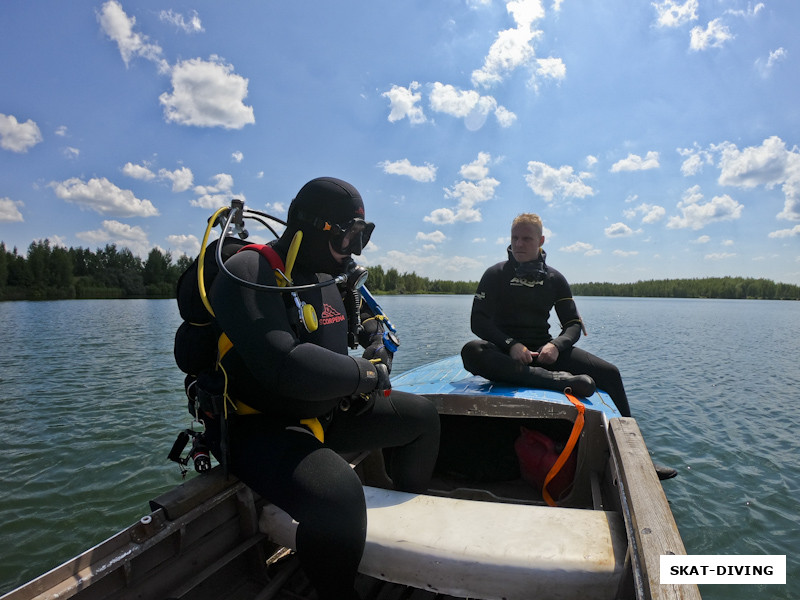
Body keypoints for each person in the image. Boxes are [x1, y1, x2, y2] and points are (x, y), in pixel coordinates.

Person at [201, 177, 441, 600]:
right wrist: (367, 375)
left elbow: (375, 322)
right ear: (315, 226)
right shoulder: (249, 273)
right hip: (261, 425)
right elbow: (286, 366)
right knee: (338, 497)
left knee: (422, 418)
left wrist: (377, 351)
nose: (355, 249)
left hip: (328, 409)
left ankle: (405, 542)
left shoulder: (330, 273)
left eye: (362, 237)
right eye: (349, 235)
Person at [461, 213, 676, 480]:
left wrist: (556, 346)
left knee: (611, 373)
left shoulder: (554, 279)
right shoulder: (495, 274)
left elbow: (573, 323)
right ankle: (556, 382)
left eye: (526, 238)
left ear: (540, 240)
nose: (518, 244)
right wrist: (511, 344)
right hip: (506, 355)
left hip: (544, 353)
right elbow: (478, 321)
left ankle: (638, 461)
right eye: (514, 238)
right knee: (471, 351)